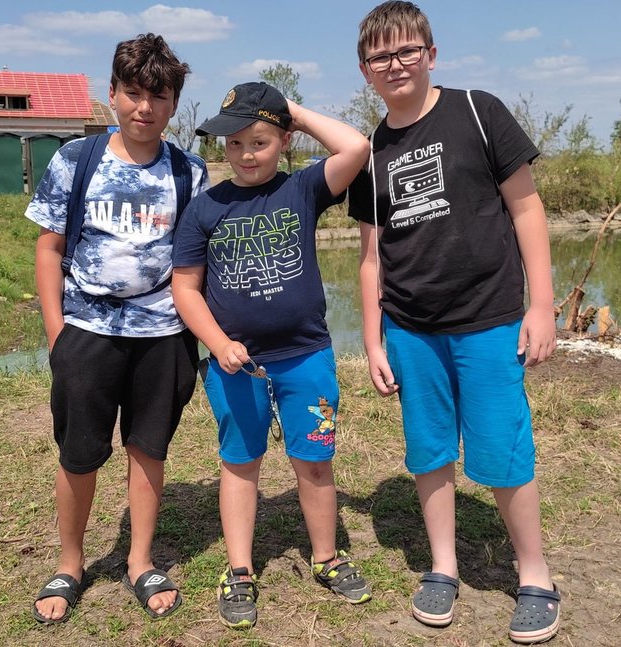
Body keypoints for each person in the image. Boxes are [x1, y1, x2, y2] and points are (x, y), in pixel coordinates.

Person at [348, 2, 560, 644]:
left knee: (502, 449)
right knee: (430, 451)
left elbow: (526, 209)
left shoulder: (478, 110)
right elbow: (369, 254)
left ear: (431, 53)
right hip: (412, 328)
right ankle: (443, 567)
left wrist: (542, 303)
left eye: (407, 50)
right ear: (366, 71)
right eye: (381, 56)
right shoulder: (369, 152)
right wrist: (372, 335)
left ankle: (535, 575)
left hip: (490, 319)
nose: (396, 64)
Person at [172, 82, 372, 630]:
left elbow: (355, 148)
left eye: (258, 141)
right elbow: (185, 288)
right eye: (232, 144)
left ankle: (327, 557)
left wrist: (296, 114)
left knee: (314, 459)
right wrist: (217, 343)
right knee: (241, 462)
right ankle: (239, 569)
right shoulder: (204, 208)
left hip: (305, 357)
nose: (245, 154)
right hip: (235, 364)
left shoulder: (305, 188)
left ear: (283, 141)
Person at [25, 33, 208, 625]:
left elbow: (199, 262)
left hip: (164, 335)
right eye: (132, 94)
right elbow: (49, 249)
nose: (143, 108)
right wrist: (58, 332)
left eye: (157, 96)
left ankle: (139, 560)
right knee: (79, 452)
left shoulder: (191, 172)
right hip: (87, 329)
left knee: (148, 449)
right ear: (112, 94)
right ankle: (71, 562)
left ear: (174, 103)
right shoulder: (74, 161)